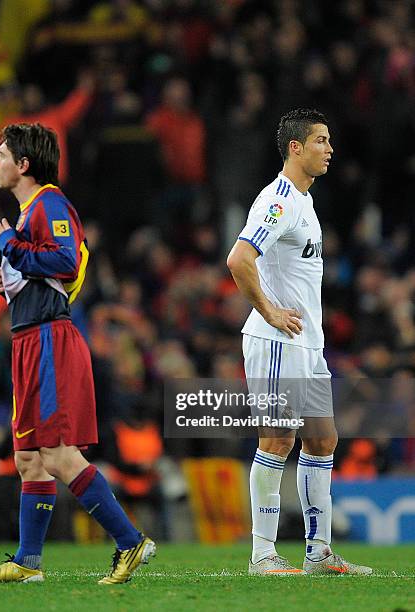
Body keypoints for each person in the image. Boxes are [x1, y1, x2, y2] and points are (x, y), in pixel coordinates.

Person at [0, 122, 155, 585]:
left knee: (56, 451)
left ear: (23, 164)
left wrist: (7, 245)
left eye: (2, 155)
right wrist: (9, 279)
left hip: (50, 340)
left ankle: (131, 543)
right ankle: (27, 562)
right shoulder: (30, 210)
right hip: (28, 339)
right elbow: (45, 270)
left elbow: (66, 260)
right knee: (28, 457)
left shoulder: (49, 202)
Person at [227, 108, 372, 575]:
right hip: (277, 340)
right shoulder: (279, 200)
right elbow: (239, 258)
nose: (329, 149)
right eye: (320, 141)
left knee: (323, 438)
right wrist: (269, 311)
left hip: (307, 345)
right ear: (295, 147)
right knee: (276, 439)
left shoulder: (305, 202)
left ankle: (319, 551)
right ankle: (263, 554)